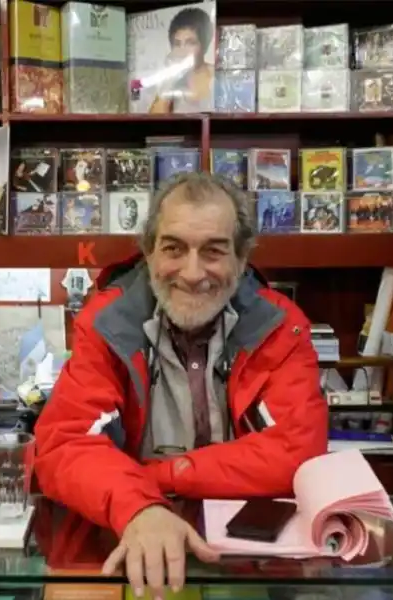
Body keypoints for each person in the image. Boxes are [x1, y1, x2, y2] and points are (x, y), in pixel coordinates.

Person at [34, 172, 329, 598]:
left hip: (246, 559)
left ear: (241, 259)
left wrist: (160, 475)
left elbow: (297, 452)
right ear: (149, 252)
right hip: (122, 545)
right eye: (174, 248)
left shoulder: (281, 327)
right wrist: (139, 505)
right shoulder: (106, 324)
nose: (192, 273)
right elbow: (64, 444)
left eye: (213, 251)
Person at [149, 7, 215, 113]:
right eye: (177, 44)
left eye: (190, 43)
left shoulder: (216, 78)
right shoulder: (170, 81)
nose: (182, 51)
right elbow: (153, 120)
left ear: (204, 45)